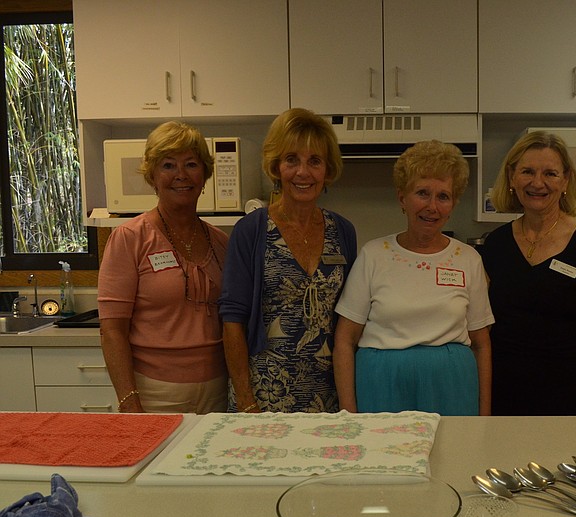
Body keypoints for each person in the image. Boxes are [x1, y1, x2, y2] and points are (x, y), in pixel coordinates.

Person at [333, 140, 494, 416]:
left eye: (443, 196)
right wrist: (348, 415)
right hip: (381, 386)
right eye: (422, 193)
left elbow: (481, 344)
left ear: (453, 203)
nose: (432, 206)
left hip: (452, 387)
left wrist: (485, 417)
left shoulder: (469, 259)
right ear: (402, 198)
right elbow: (345, 341)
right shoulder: (373, 255)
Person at [219, 108, 356, 413]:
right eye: (291, 159)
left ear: (327, 169)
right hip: (264, 395)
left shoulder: (343, 232)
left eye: (314, 161)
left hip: (328, 398)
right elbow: (232, 322)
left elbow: (351, 321)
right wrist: (245, 402)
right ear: (276, 166)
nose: (303, 173)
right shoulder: (251, 230)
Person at [481, 130, 576, 416]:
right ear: (512, 178)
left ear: (566, 180)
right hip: (506, 400)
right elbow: (484, 333)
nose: (537, 183)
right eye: (527, 171)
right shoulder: (495, 244)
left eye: (550, 173)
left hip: (572, 401)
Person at [99, 121, 229, 413]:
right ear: (153, 176)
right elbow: (112, 331)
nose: (181, 175)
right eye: (168, 165)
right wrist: (129, 401)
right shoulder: (130, 239)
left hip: (218, 390)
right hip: (154, 394)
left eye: (191, 164)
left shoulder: (221, 242)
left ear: (205, 174)